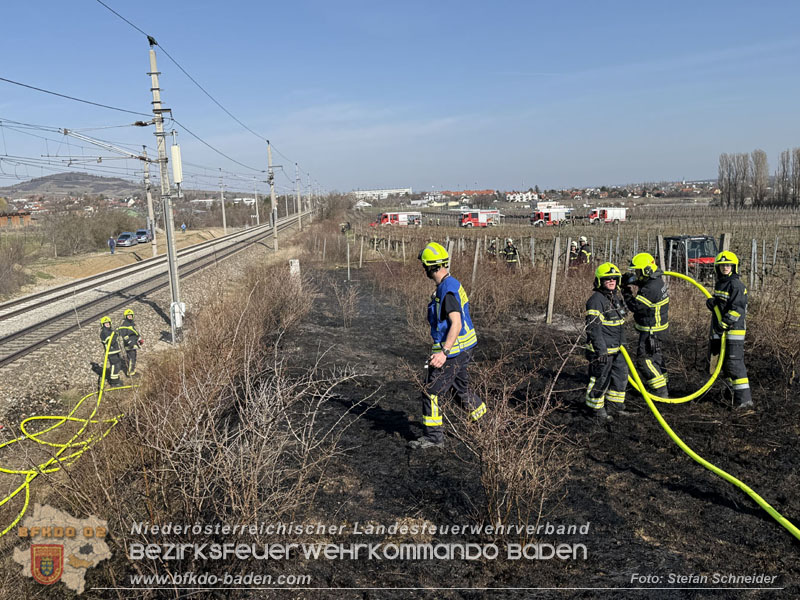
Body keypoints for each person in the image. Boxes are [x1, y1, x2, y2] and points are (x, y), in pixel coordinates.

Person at [410, 242, 487, 449]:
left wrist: (444, 353)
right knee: (461, 391)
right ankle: (488, 425)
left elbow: (457, 323)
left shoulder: (447, 291)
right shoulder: (450, 284)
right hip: (463, 349)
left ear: (430, 267)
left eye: (424, 266)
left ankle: (434, 438)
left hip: (453, 352)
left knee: (431, 392)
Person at [706, 251, 753, 409]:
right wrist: (713, 303)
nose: (725, 267)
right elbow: (722, 304)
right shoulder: (721, 283)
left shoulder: (736, 285)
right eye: (722, 265)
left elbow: (737, 309)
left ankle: (745, 401)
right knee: (725, 365)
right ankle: (731, 395)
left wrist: (724, 323)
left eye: (728, 265)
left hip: (733, 331)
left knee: (734, 364)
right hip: (722, 330)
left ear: (734, 266)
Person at [584, 263, 628, 421]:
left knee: (620, 376)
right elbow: (593, 329)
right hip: (602, 350)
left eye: (614, 278)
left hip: (617, 348)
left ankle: (615, 406)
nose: (611, 281)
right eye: (607, 279)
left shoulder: (615, 297)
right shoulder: (596, 301)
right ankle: (596, 410)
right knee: (601, 379)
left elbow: (624, 316)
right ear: (599, 281)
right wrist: (601, 350)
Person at [622, 253, 669, 396]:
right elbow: (643, 282)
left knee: (644, 361)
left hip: (651, 331)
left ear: (647, 270)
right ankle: (664, 385)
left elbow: (636, 306)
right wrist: (631, 280)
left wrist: (626, 292)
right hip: (658, 329)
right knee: (655, 358)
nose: (636, 274)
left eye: (638, 271)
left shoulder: (650, 289)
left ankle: (660, 391)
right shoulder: (656, 281)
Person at [118, 308, 144, 376]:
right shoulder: (124, 325)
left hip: (133, 344)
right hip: (129, 345)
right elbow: (124, 335)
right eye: (128, 316)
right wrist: (129, 343)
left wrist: (139, 339)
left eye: (131, 315)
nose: (130, 317)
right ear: (125, 316)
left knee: (133, 357)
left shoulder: (131, 323)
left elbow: (135, 333)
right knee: (131, 359)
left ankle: (133, 371)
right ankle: (131, 373)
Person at [99, 316, 124, 385]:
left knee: (118, 364)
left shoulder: (110, 331)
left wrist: (118, 333)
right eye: (105, 324)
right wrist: (116, 334)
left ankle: (116, 379)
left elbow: (115, 336)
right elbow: (111, 341)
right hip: (110, 352)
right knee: (115, 365)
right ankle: (114, 382)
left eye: (108, 323)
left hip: (115, 351)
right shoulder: (104, 332)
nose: (107, 325)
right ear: (103, 325)